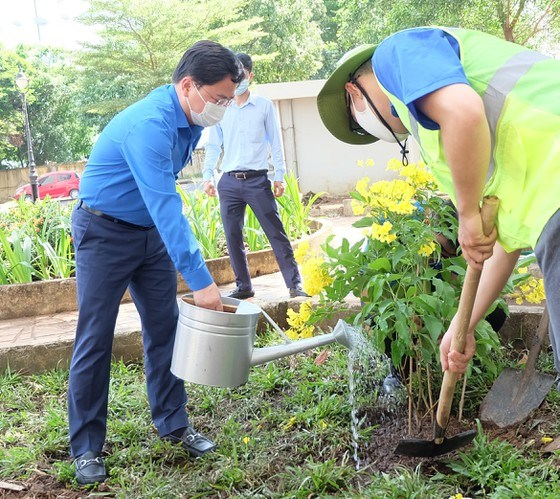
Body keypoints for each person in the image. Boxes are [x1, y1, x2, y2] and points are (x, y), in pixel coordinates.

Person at [317, 27, 560, 382]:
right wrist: (461, 327)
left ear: (354, 91)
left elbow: (464, 113)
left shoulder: (396, 54)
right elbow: (500, 246)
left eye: (358, 119)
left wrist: (465, 215)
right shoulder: (441, 140)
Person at [68, 40, 243, 485]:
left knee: (165, 329)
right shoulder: (149, 124)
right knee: (95, 336)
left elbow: (162, 209)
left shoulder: (190, 119)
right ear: (189, 85)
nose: (222, 108)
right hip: (103, 231)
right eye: (219, 98)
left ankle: (174, 423)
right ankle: (86, 448)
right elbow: (167, 207)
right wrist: (202, 282)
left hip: (149, 237)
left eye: (228, 99)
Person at [202, 53, 309, 300]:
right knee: (232, 236)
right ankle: (244, 286)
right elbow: (214, 145)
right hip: (228, 181)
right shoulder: (222, 108)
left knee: (276, 234)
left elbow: (276, 142)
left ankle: (294, 285)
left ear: (250, 75)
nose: (238, 80)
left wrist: (279, 175)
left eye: (242, 75)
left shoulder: (264, 106)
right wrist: (208, 175)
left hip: (257, 181)